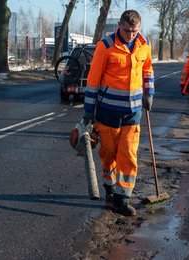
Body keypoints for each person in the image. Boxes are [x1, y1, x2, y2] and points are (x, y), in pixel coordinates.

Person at [83, 10, 154, 216]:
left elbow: (148, 70)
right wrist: (89, 110)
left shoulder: (145, 44)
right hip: (108, 112)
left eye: (134, 31)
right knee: (108, 154)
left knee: (129, 154)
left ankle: (122, 199)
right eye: (126, 30)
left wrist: (149, 92)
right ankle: (110, 188)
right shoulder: (105, 47)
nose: (131, 34)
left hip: (133, 112)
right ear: (118, 27)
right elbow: (93, 80)